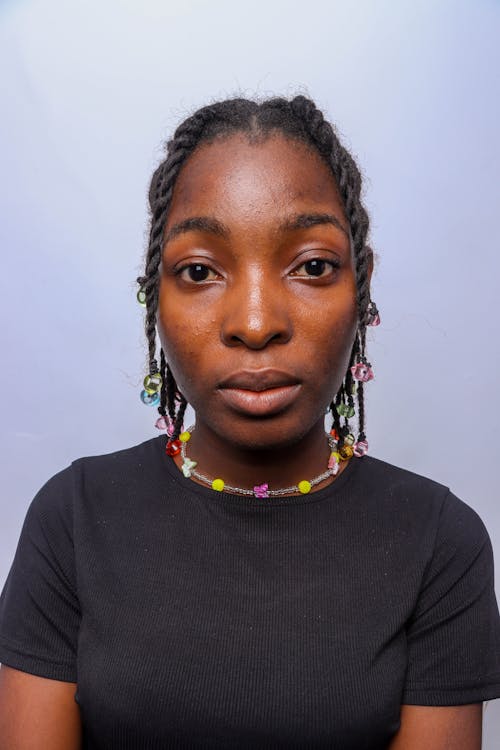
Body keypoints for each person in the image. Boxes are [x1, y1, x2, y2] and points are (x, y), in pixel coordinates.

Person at [0, 95, 499, 749]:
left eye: (312, 266)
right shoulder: (72, 519)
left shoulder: (439, 544)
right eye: (200, 271)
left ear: (362, 286)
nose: (256, 323)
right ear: (156, 294)